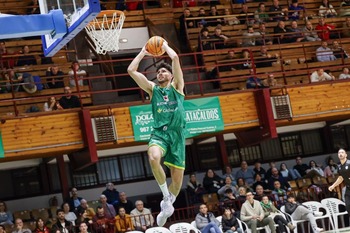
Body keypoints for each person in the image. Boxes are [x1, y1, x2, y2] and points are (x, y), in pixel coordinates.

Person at [127, 39, 185, 227]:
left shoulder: (177, 87)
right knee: (153, 157)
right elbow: (131, 70)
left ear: (170, 75)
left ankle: (167, 204)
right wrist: (143, 51)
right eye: (158, 71)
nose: (159, 73)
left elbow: (175, 58)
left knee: (177, 183)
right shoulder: (153, 90)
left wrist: (165, 45)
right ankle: (165, 195)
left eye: (163, 71)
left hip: (177, 137)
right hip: (159, 134)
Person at [329, 149, 350, 215]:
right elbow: (341, 178)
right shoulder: (339, 166)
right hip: (348, 188)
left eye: (342, 152)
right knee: (348, 206)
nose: (340, 154)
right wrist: (333, 186)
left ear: (346, 155)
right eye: (339, 153)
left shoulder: (349, 163)